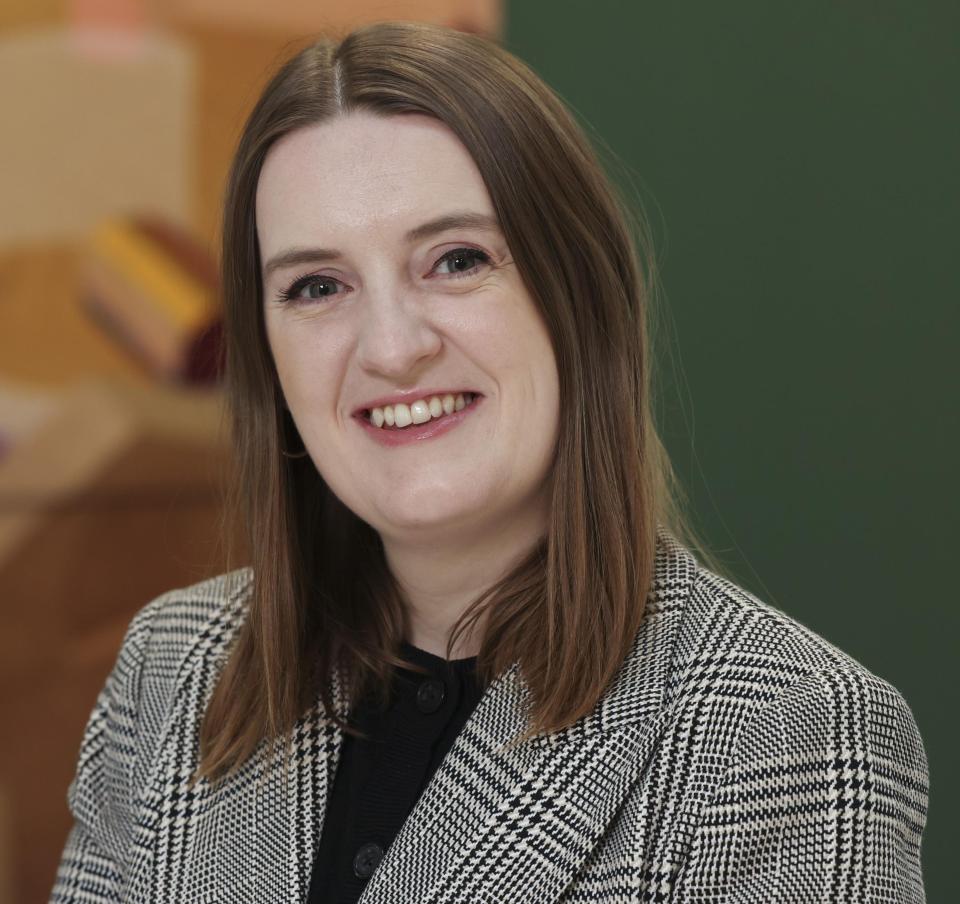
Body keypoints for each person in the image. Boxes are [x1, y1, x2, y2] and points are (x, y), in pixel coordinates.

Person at [50, 21, 929, 904]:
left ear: (577, 298)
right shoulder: (173, 669)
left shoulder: (795, 735)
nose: (392, 349)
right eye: (317, 286)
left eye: (456, 260)